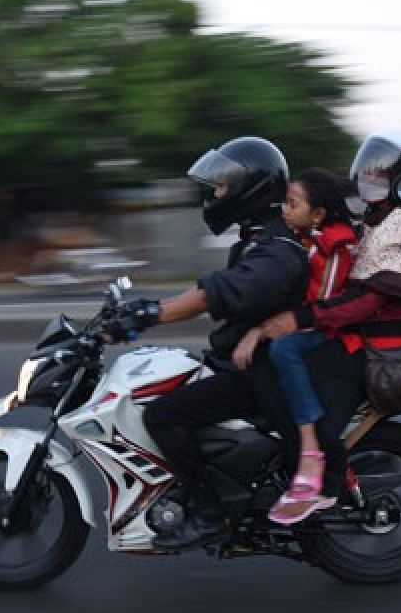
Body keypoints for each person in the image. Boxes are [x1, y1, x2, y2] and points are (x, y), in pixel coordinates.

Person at [107, 136, 311, 551]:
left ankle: (209, 513)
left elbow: (222, 292)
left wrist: (149, 313)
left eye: (221, 186)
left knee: (163, 416)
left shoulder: (277, 248)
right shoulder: (258, 240)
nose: (215, 195)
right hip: (246, 363)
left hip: (261, 375)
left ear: (250, 188)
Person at [256, 129, 401, 517]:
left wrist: (301, 318)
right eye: (370, 168)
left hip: (378, 349)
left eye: (382, 171)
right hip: (358, 335)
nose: (369, 176)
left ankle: (319, 479)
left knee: (297, 372)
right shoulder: (380, 221)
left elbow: (367, 299)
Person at [230, 168, 358, 524]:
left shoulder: (338, 244)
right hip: (312, 320)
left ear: (317, 213)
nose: (284, 210)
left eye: (292, 204)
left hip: (330, 328)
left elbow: (325, 305)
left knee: (283, 351)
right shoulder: (310, 239)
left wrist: (268, 330)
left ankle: (309, 447)